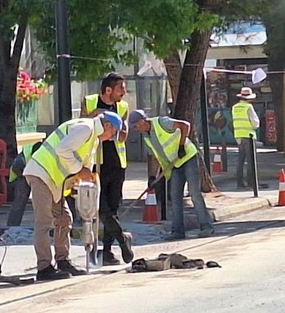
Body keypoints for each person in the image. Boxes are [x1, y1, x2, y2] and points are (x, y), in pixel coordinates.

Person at [23, 112, 121, 281]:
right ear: (108, 126)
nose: (111, 138)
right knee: (45, 222)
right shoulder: (86, 128)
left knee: (64, 219)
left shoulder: (93, 139)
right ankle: (44, 267)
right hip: (42, 174)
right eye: (113, 133)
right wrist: (80, 170)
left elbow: (82, 168)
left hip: (55, 181)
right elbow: (63, 149)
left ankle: (62, 261)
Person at [129, 109, 213, 240]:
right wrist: (152, 177)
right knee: (175, 197)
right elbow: (155, 157)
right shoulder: (146, 137)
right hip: (174, 165)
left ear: (142, 121)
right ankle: (178, 231)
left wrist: (181, 146)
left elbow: (185, 125)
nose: (135, 129)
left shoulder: (162, 122)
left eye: (135, 125)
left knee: (194, 193)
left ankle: (206, 227)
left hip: (188, 157)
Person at [81, 73, 133, 266]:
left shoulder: (123, 107)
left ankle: (108, 251)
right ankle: (122, 239)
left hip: (117, 164)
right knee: (101, 209)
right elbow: (83, 127)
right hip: (96, 164)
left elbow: (123, 136)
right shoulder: (90, 101)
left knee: (113, 207)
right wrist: (97, 116)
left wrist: (116, 123)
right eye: (121, 89)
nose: (124, 93)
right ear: (108, 89)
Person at [231, 87, 261, 189]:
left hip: (238, 135)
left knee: (240, 160)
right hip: (249, 135)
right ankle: (251, 183)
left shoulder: (235, 107)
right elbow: (255, 122)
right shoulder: (248, 107)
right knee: (250, 160)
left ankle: (239, 183)